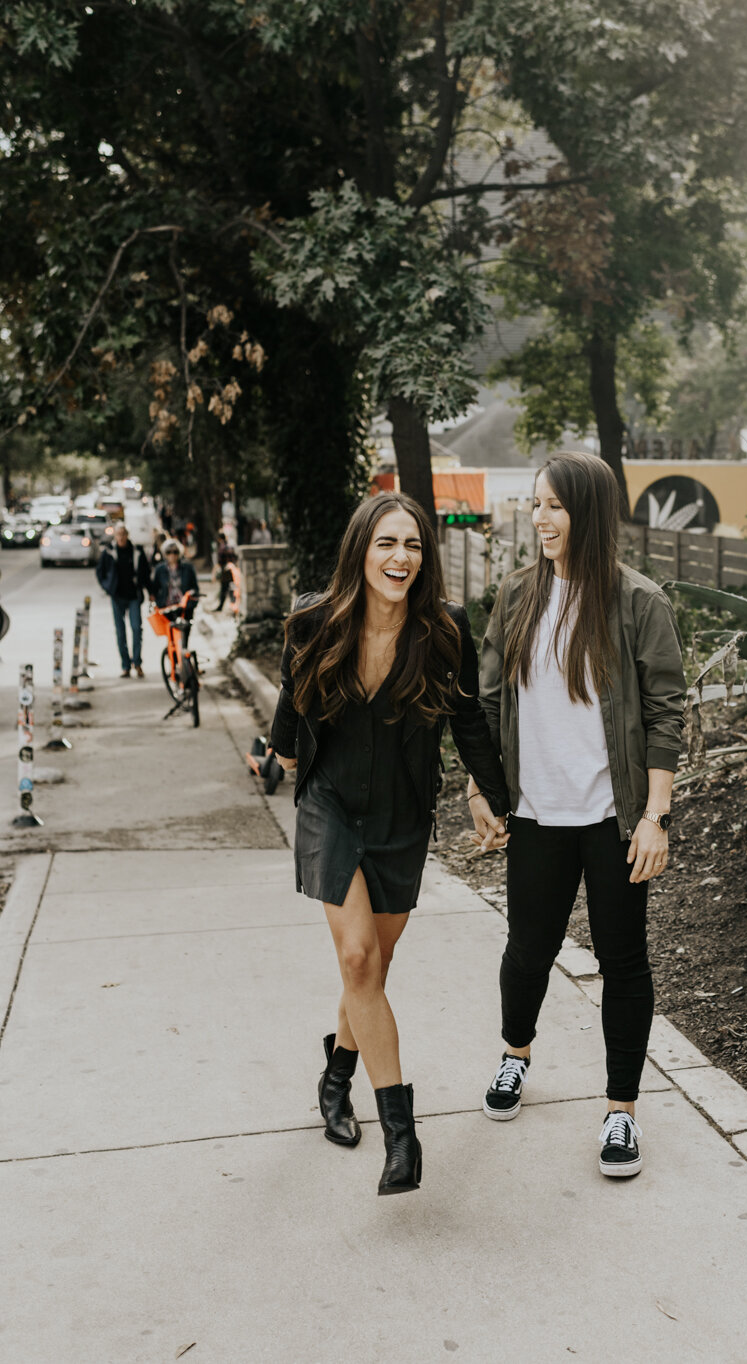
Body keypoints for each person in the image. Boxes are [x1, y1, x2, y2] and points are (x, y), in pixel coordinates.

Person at [270, 493, 508, 1197]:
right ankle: (402, 1137)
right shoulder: (315, 620)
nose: (400, 557)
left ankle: (335, 1077)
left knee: (372, 967)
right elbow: (291, 696)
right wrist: (282, 749)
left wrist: (494, 798)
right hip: (330, 805)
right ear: (360, 550)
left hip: (403, 815)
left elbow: (467, 723)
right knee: (356, 957)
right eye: (386, 543)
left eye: (412, 545)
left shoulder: (443, 630)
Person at [471, 452, 686, 1179]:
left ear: (588, 512)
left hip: (612, 817)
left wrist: (654, 816)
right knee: (526, 950)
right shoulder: (516, 596)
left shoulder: (636, 602)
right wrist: (482, 791)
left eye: (555, 506)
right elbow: (489, 702)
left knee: (622, 960)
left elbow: (663, 714)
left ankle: (620, 1111)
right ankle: (514, 1056)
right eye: (535, 504)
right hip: (535, 813)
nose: (540, 518)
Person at [96, 523, 152, 678]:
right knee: (120, 633)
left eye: (123, 534)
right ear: (115, 536)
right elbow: (100, 572)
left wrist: (150, 591)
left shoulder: (136, 552)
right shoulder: (109, 552)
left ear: (127, 535)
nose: (121, 537)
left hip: (133, 595)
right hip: (117, 596)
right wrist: (107, 587)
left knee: (136, 629)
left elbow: (145, 574)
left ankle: (138, 663)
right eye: (118, 534)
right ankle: (125, 665)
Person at [150, 538, 200, 613]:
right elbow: (154, 589)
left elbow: (195, 588)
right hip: (165, 608)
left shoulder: (188, 568)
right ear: (165, 554)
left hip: (184, 608)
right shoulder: (159, 569)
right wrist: (157, 603)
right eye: (168, 552)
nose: (172, 555)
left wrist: (192, 601)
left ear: (179, 553)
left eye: (175, 552)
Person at [215, 531, 236, 611]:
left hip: (225, 572)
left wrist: (215, 572)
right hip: (232, 570)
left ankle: (221, 607)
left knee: (224, 589)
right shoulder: (230, 546)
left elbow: (219, 562)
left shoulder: (222, 548)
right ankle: (233, 605)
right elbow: (235, 557)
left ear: (219, 539)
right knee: (231, 589)